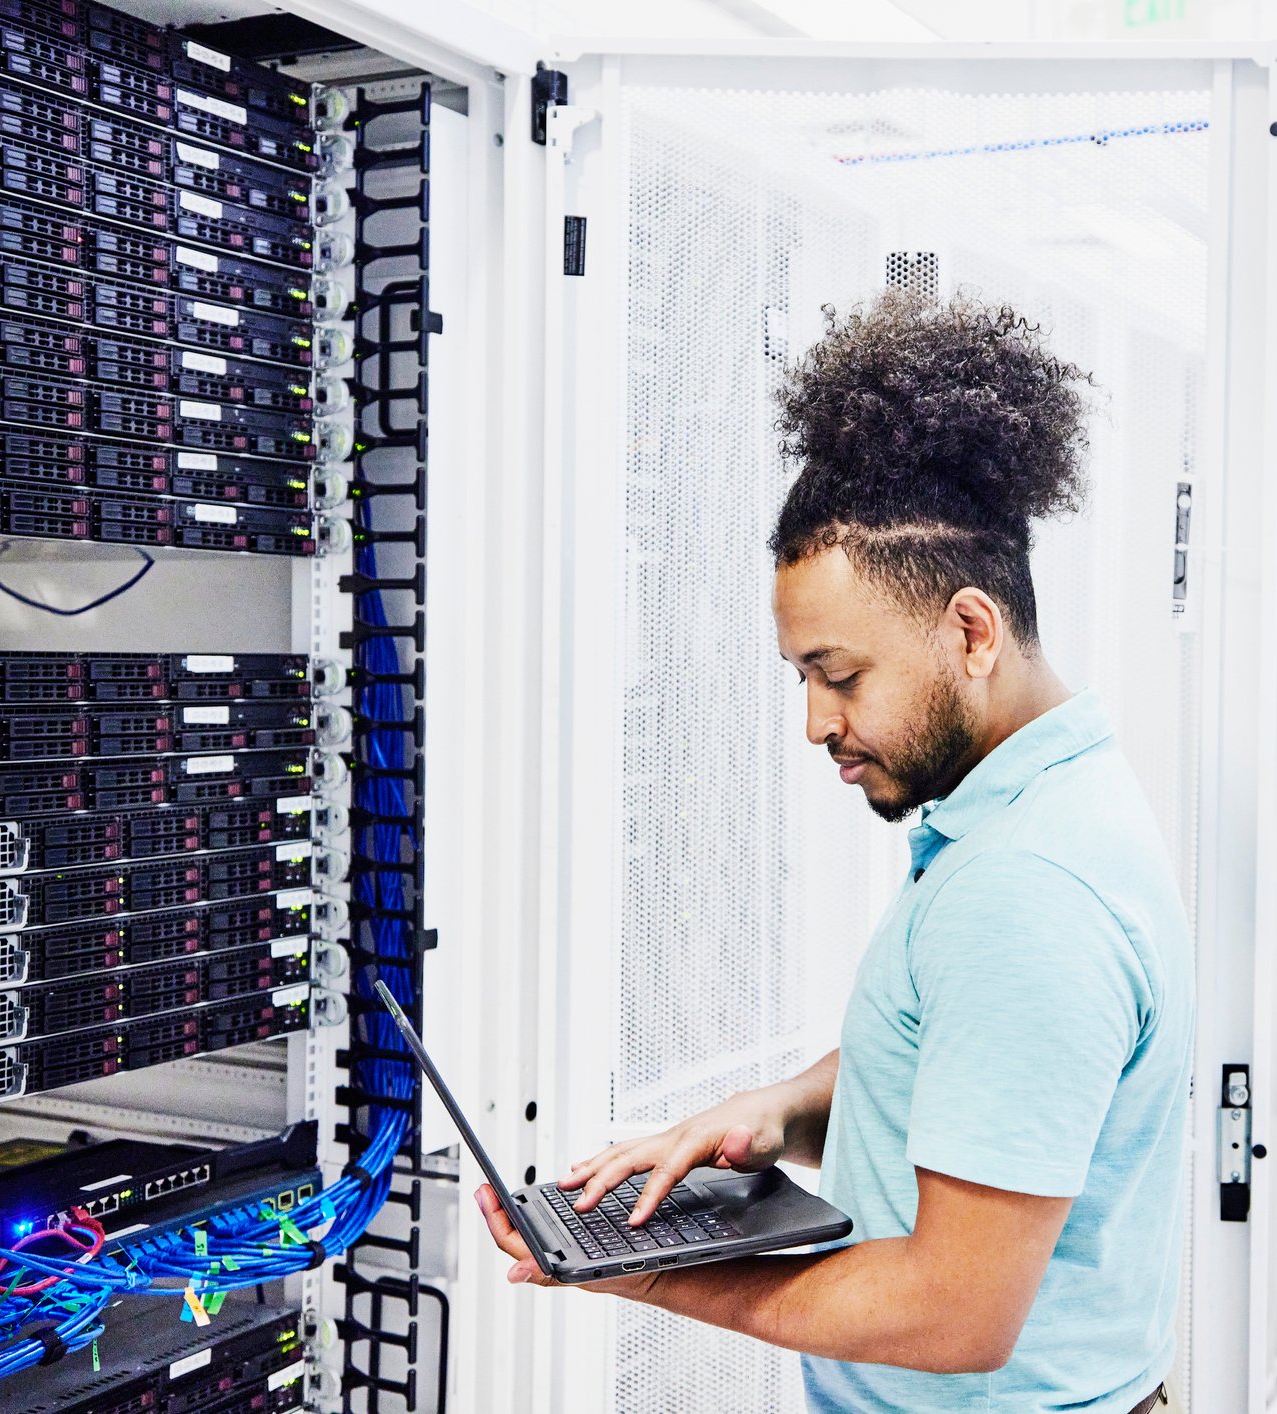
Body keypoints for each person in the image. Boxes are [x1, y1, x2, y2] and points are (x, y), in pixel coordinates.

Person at [478, 289, 1195, 1413]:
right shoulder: (1040, 800)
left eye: (839, 675)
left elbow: (953, 1310)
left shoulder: (1026, 891)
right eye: (803, 678)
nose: (815, 723)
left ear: (969, 631)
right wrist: (779, 1111)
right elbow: (964, 1069)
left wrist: (659, 1274)